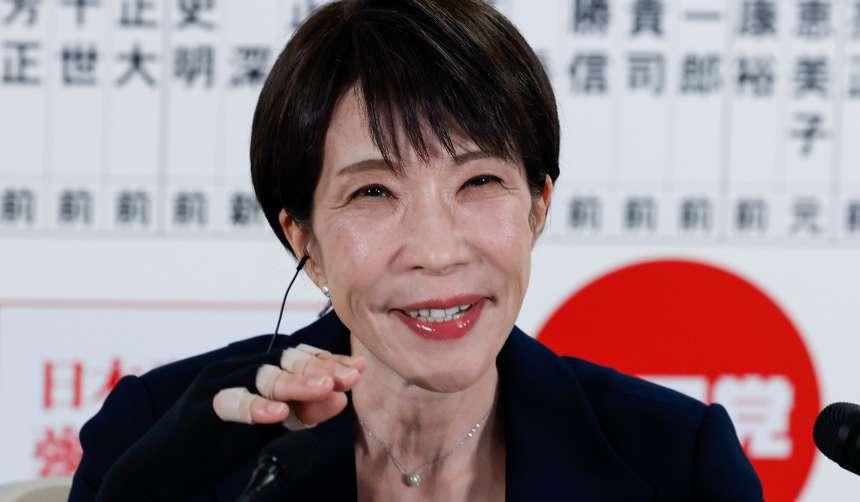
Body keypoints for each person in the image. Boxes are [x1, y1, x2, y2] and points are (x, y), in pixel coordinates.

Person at [69, 0, 764, 500]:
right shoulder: (162, 434)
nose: (436, 251)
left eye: (479, 182)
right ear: (304, 239)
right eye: (373, 192)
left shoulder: (676, 460)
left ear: (538, 207)